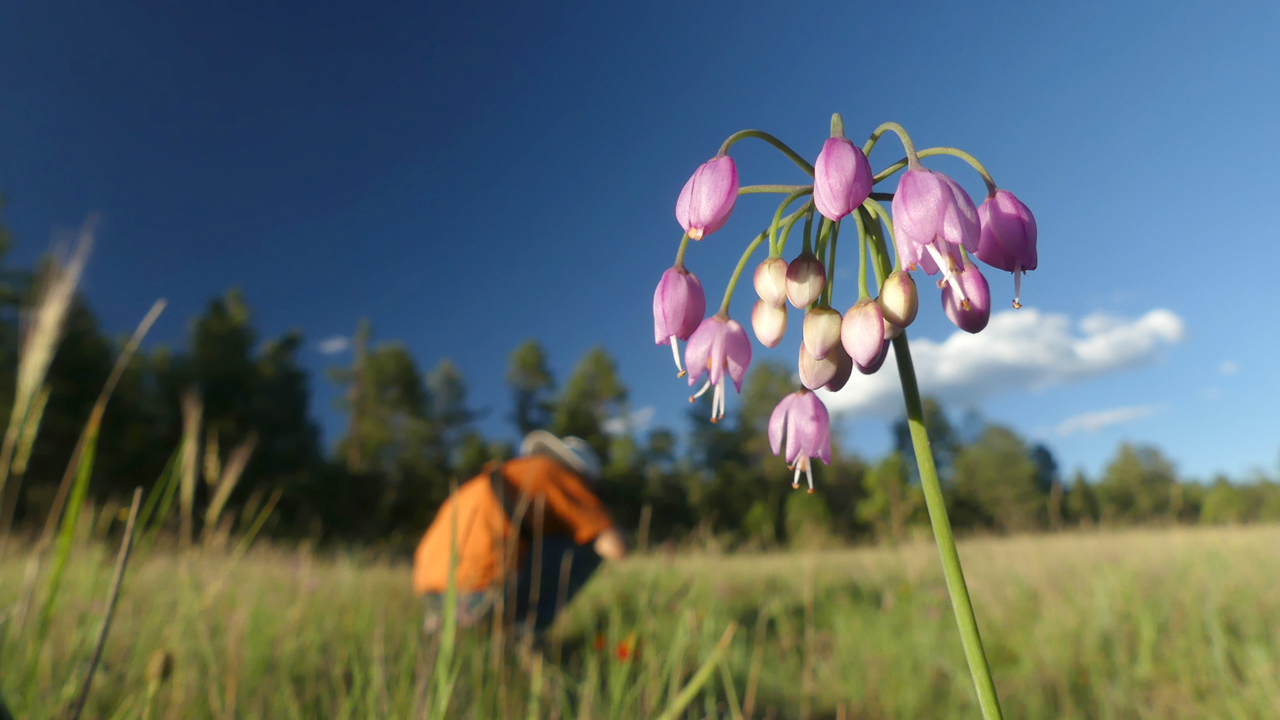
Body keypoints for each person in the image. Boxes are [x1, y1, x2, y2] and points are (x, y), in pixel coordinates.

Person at [413, 430, 626, 635]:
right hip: (477, 592)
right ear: (581, 475)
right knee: (588, 549)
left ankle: (448, 621)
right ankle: (521, 634)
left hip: (430, 592)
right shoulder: (559, 474)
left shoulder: (505, 474)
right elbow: (614, 548)